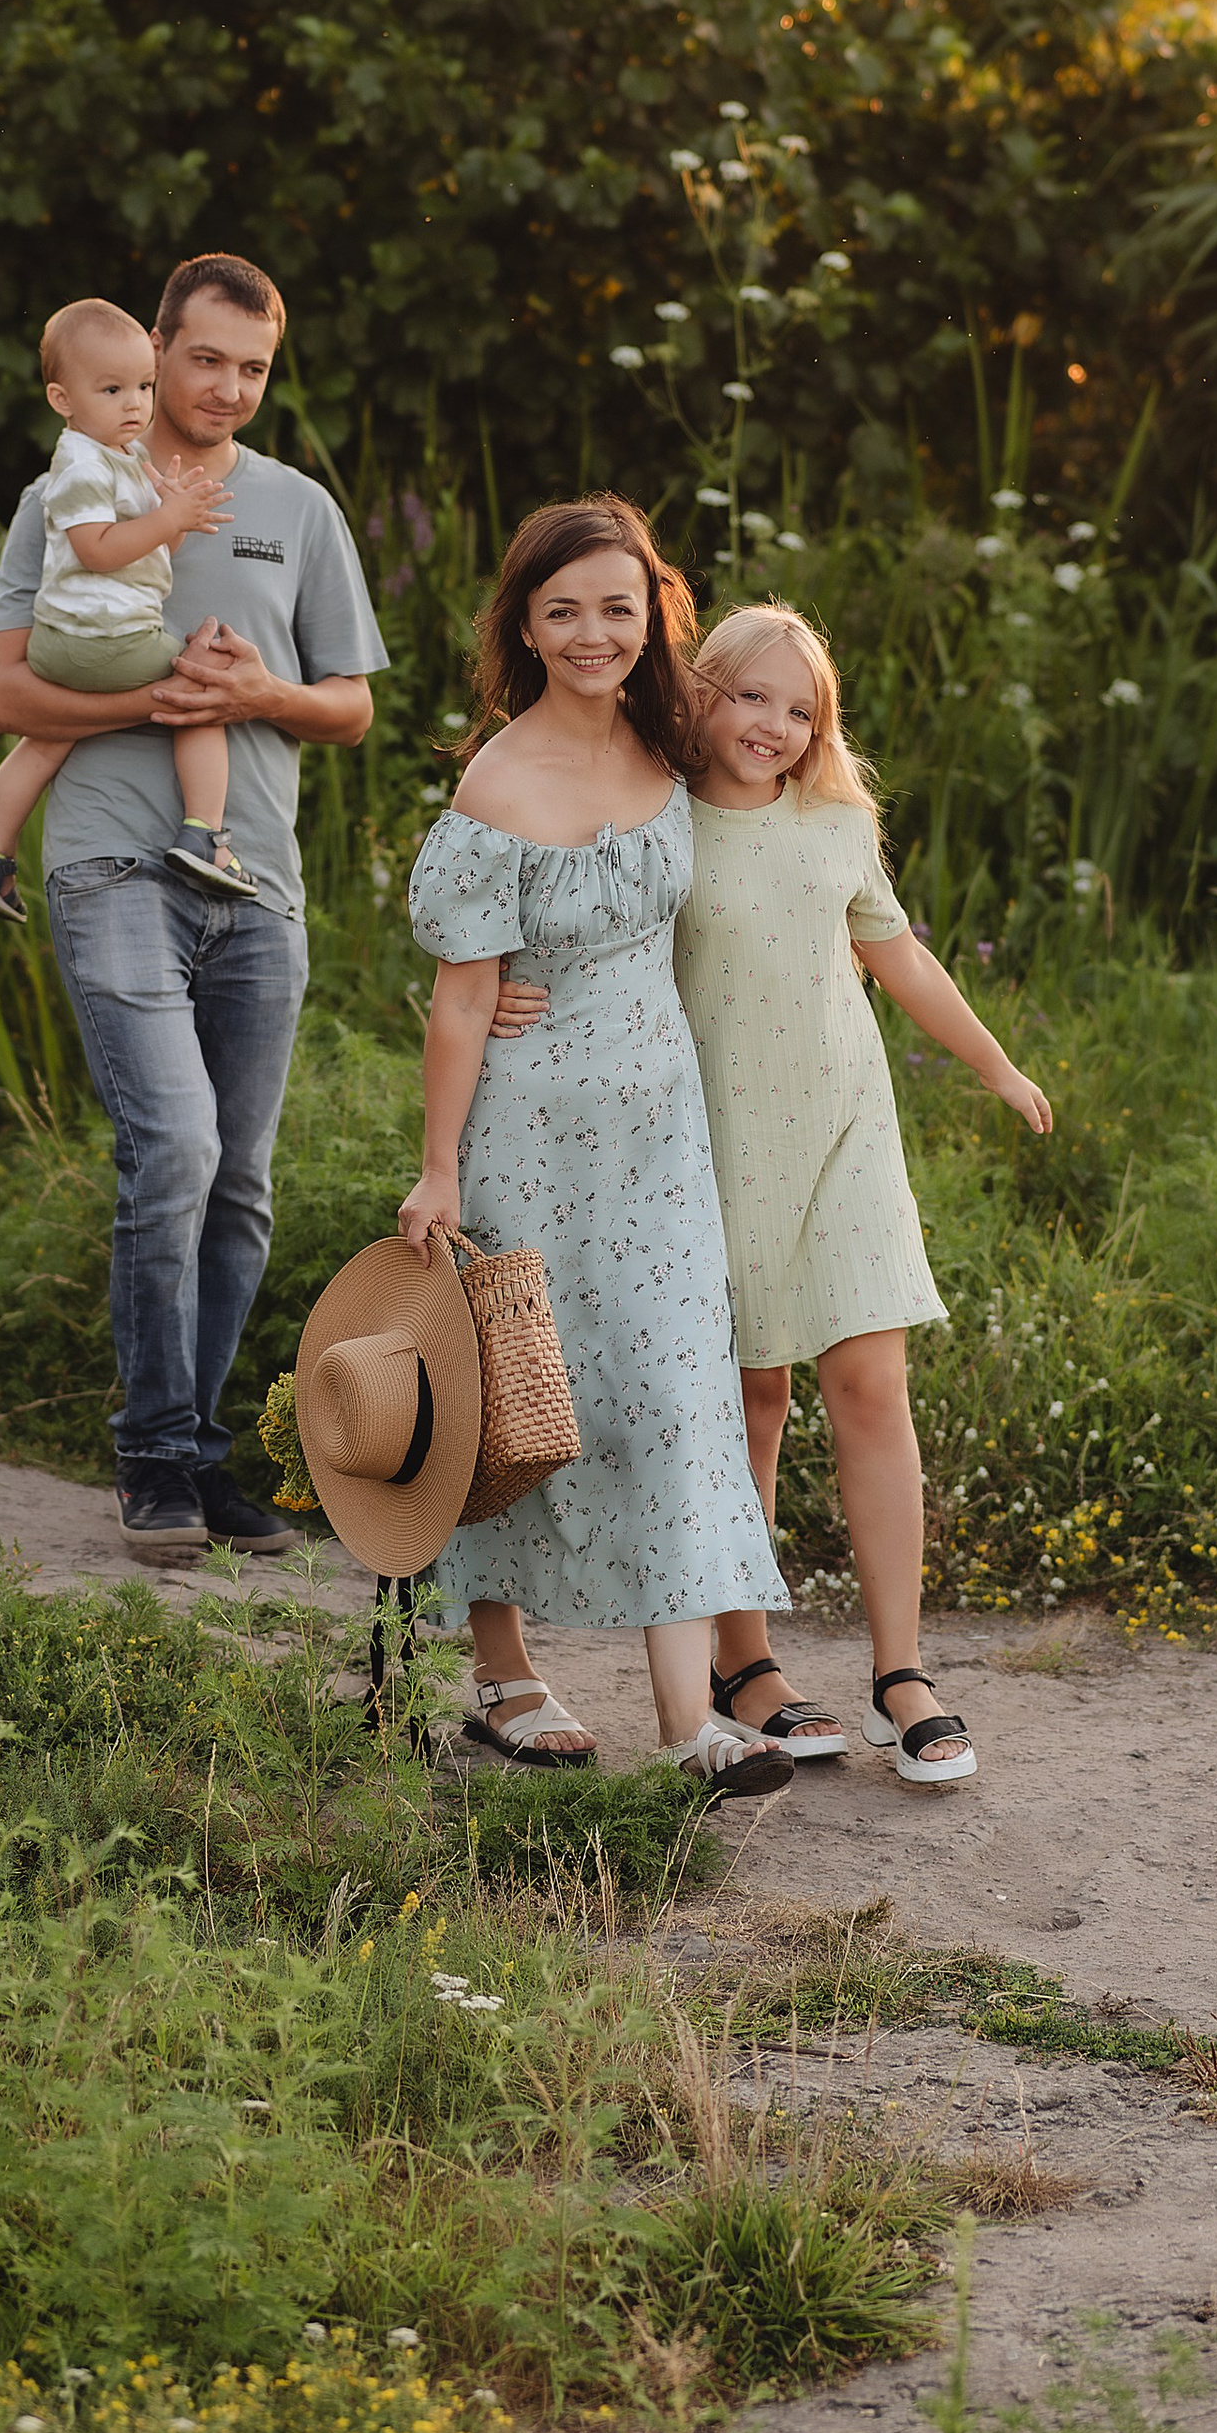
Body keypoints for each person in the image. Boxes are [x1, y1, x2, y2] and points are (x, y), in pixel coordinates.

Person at [0, 251, 387, 1560]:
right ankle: (153, 1454)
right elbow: (3, 696)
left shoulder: (299, 509)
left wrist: (259, 695)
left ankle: (202, 1457)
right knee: (178, 1151)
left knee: (243, 1184)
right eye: (202, 357)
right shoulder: (74, 486)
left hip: (258, 884)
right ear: (155, 350)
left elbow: (354, 705)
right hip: (112, 868)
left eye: (252, 368)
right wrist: (150, 703)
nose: (224, 387)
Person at [394, 495, 795, 1803]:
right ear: (524, 621)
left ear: (651, 616)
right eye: (562, 609)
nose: (591, 632)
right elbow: (465, 995)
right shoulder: (496, 783)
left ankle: (693, 1722)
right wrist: (440, 1165)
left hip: (660, 1133)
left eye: (616, 607)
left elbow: (789, 784)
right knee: (526, 1401)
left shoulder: (670, 742)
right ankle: (503, 1670)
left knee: (676, 1393)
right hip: (529, 1126)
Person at [674, 604, 1053, 1787]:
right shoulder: (658, 818)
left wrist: (994, 1062)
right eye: (750, 697)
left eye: (800, 709)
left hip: (845, 1133)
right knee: (752, 1395)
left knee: (869, 1383)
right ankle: (748, 1662)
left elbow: (901, 957)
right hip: (715, 1141)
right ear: (701, 692)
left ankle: (901, 1675)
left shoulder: (839, 823)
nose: (774, 726)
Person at [0, 298, 255, 923]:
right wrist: (166, 517)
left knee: (44, 741)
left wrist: (175, 521)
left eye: (143, 385)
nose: (134, 404)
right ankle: (205, 836)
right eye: (112, 388)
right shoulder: (79, 466)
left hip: (68, 644)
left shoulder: (118, 459)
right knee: (204, 692)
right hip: (102, 639)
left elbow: (144, 555)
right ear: (62, 400)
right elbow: (95, 551)